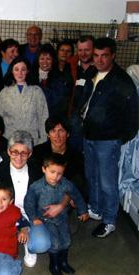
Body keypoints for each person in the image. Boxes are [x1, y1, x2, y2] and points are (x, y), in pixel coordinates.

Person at [0, 130, 70, 268]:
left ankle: (29, 246)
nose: (19, 157)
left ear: (30, 154)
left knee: (42, 244)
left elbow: (65, 187)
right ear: (8, 152)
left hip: (32, 215)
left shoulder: (38, 170)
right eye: (14, 152)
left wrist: (61, 205)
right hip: (6, 214)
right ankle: (12, 240)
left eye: (24, 153)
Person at [81, 37, 138, 238]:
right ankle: (95, 209)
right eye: (96, 55)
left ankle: (109, 220)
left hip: (107, 140)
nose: (99, 60)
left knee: (107, 181)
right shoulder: (92, 73)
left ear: (113, 55)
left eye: (104, 56)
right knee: (92, 176)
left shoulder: (121, 81)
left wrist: (118, 138)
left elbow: (133, 114)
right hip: (89, 135)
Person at [24, 153, 89, 275]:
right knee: (55, 242)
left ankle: (63, 263)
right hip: (46, 220)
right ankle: (54, 265)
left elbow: (77, 195)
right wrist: (34, 218)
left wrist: (83, 210)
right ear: (44, 169)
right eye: (52, 172)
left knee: (66, 240)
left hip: (62, 218)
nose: (55, 177)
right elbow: (29, 203)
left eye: (59, 174)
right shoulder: (36, 187)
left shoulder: (66, 184)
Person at [0, 57, 48, 145]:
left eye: (23, 70)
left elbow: (43, 117)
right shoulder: (4, 93)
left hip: (32, 141)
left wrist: (43, 139)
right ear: (12, 71)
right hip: (9, 140)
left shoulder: (36, 91)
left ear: (28, 71)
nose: (20, 73)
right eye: (16, 69)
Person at [32, 116, 86, 200]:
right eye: (53, 131)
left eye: (61, 131)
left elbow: (78, 182)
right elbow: (35, 179)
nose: (57, 135)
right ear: (48, 134)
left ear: (68, 134)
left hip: (67, 198)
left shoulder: (76, 156)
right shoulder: (37, 152)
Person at [68, 35, 97, 152]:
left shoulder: (102, 68)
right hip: (72, 119)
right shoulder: (71, 65)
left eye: (87, 50)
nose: (83, 53)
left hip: (93, 121)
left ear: (94, 49)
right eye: (80, 50)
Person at [30, 43, 72, 118]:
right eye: (42, 59)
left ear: (53, 61)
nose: (45, 62)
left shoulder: (60, 78)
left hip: (52, 119)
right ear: (37, 60)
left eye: (48, 59)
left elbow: (59, 103)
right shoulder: (30, 77)